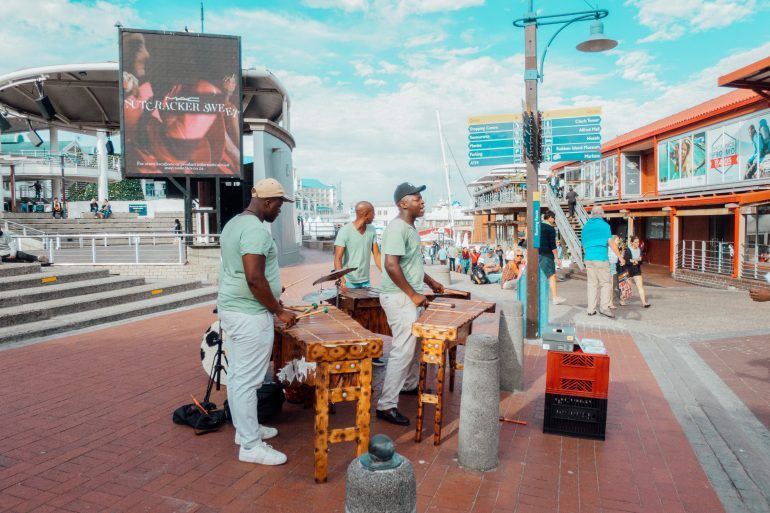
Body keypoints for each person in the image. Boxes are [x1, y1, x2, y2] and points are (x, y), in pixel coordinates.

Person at [217, 178, 297, 466]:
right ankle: (251, 446)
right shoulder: (255, 230)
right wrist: (278, 310)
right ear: (266, 202)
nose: (280, 210)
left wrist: (273, 294)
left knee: (239, 378)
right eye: (278, 204)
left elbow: (235, 271)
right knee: (248, 382)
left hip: (234, 310)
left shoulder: (234, 223)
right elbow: (253, 278)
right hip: (250, 315)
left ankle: (244, 431)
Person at [376, 182, 444, 426]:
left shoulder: (410, 228)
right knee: (402, 349)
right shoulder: (397, 228)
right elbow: (391, 266)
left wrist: (431, 281)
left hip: (408, 295)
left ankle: (408, 385)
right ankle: (385, 405)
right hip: (398, 296)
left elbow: (410, 265)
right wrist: (414, 295)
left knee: (414, 345)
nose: (422, 202)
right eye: (417, 198)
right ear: (403, 203)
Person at [334, 201, 385, 367]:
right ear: (366, 214)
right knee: (350, 320)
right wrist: (342, 280)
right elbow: (337, 259)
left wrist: (387, 273)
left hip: (365, 282)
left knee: (368, 319)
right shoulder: (345, 231)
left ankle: (371, 353)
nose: (375, 216)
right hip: (348, 283)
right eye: (373, 213)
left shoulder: (371, 230)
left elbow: (377, 255)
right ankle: (351, 353)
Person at [581, 206, 624, 317]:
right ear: (601, 214)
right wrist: (620, 256)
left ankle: (591, 309)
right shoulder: (605, 226)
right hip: (600, 258)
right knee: (605, 283)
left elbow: (583, 245)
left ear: (592, 214)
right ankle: (604, 308)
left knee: (592, 284)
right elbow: (611, 243)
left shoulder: (585, 227)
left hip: (588, 258)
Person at [539, 211, 565, 305]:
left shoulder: (538, 226)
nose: (554, 220)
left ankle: (538, 296)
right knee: (551, 276)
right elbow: (553, 245)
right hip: (547, 255)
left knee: (540, 275)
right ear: (549, 217)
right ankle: (555, 298)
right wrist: (557, 258)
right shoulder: (550, 228)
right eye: (553, 218)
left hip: (537, 254)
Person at [621, 236, 650, 308]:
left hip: (636, 269)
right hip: (628, 269)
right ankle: (622, 299)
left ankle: (644, 302)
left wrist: (639, 261)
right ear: (631, 243)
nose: (637, 243)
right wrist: (633, 261)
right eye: (635, 242)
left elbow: (641, 260)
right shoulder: (628, 250)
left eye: (638, 242)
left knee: (640, 286)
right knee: (628, 287)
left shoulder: (639, 250)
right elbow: (626, 260)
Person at [608, 235, 621, 310]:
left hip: (613, 266)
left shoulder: (615, 248)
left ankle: (609, 302)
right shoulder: (611, 248)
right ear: (613, 241)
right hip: (611, 266)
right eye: (617, 240)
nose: (618, 241)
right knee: (611, 286)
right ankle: (610, 303)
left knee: (611, 286)